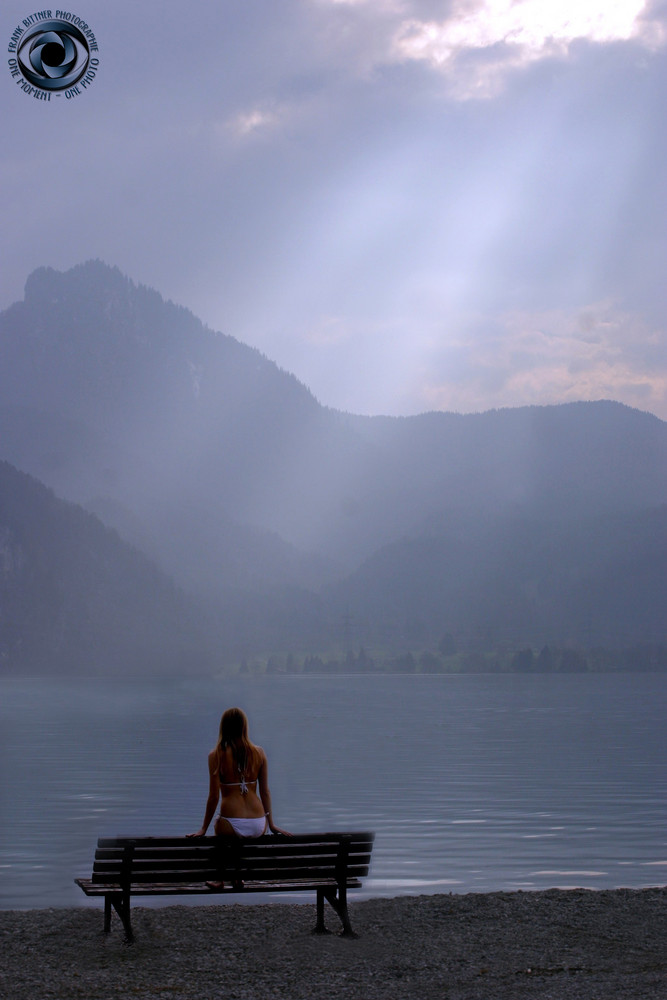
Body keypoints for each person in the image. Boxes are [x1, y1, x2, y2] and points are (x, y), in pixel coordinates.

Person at [187, 707, 289, 888]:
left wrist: (203, 828)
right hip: (259, 824)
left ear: (223, 728)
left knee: (219, 826)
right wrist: (271, 824)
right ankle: (238, 877)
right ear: (244, 727)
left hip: (230, 823)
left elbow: (213, 797)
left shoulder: (216, 755)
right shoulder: (259, 753)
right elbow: (265, 791)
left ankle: (220, 879)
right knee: (235, 837)